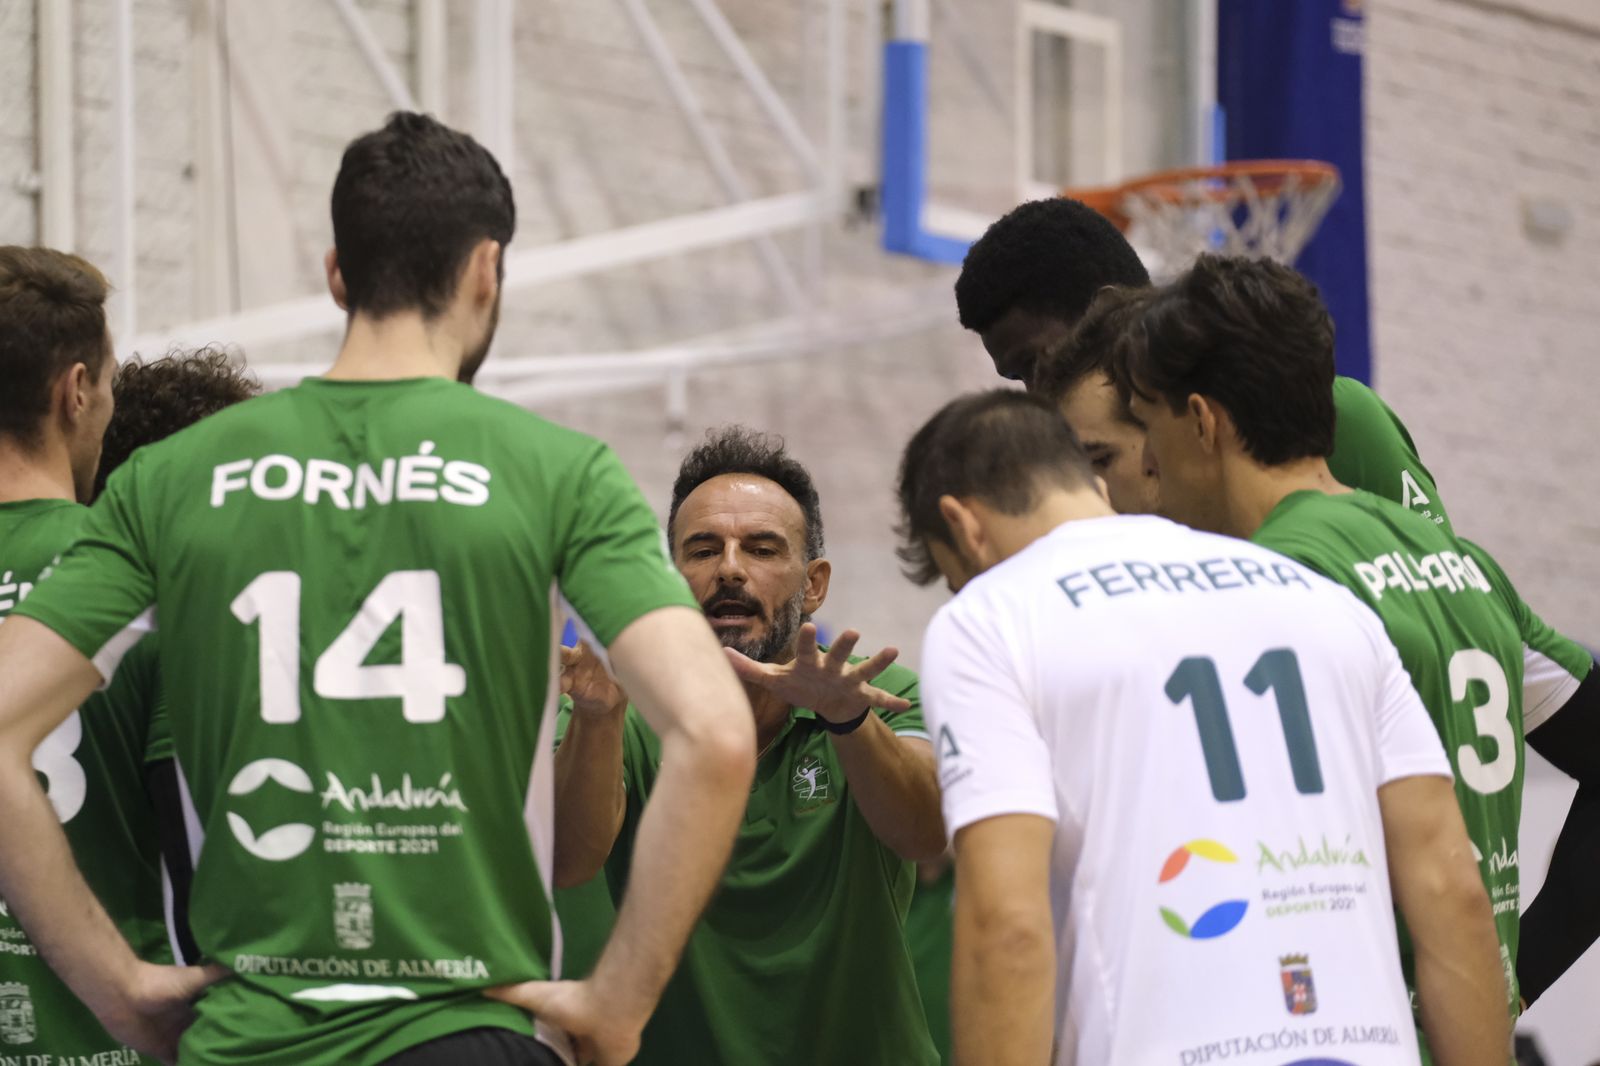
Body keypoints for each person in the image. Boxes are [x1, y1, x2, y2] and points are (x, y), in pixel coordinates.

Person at [0, 112, 755, 1066]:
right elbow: (718, 736)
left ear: (337, 275)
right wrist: (619, 999)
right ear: (487, 271)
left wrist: (117, 988)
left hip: (250, 1038)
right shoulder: (558, 471)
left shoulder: (173, 477)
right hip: (465, 1027)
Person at [897, 388, 1509, 1066]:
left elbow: (1007, 927)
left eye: (956, 575)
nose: (965, 590)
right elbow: (1453, 893)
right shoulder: (1318, 598)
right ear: (1094, 483)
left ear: (966, 525)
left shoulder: (991, 620)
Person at [1103, 254, 1600, 1050]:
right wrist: (1518, 969)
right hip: (1466, 1023)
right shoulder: (1467, 565)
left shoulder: (1268, 583)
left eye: (1145, 426)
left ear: (1201, 421)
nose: (1146, 467)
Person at [554, 426, 944, 1066]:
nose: (730, 569)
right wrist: (597, 719)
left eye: (761, 549)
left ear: (813, 584)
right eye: (703, 550)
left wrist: (845, 718)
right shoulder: (615, 704)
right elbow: (571, 857)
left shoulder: (875, 691)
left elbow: (927, 834)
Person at [955, 196, 1451, 530]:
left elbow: (1445, 603)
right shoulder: (1073, 488)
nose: (1036, 396)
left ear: (1106, 314)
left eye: (1037, 363)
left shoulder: (1340, 415)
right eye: (1018, 379)